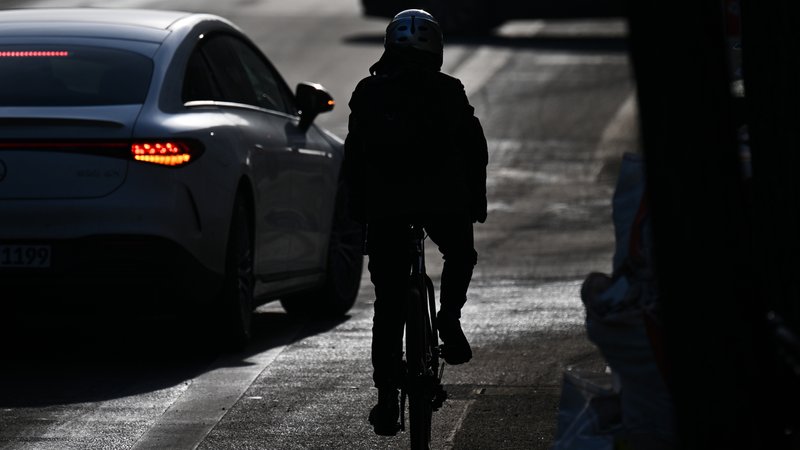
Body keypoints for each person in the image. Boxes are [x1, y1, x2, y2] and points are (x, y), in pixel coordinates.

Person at [342, 9, 489, 436]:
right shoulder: (449, 90)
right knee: (459, 253)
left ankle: (387, 397)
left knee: (388, 304)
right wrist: (475, 202)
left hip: (386, 207)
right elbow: (474, 150)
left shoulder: (368, 92)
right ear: (436, 51)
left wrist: (359, 210)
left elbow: (355, 157)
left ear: (389, 47)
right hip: (444, 201)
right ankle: (449, 319)